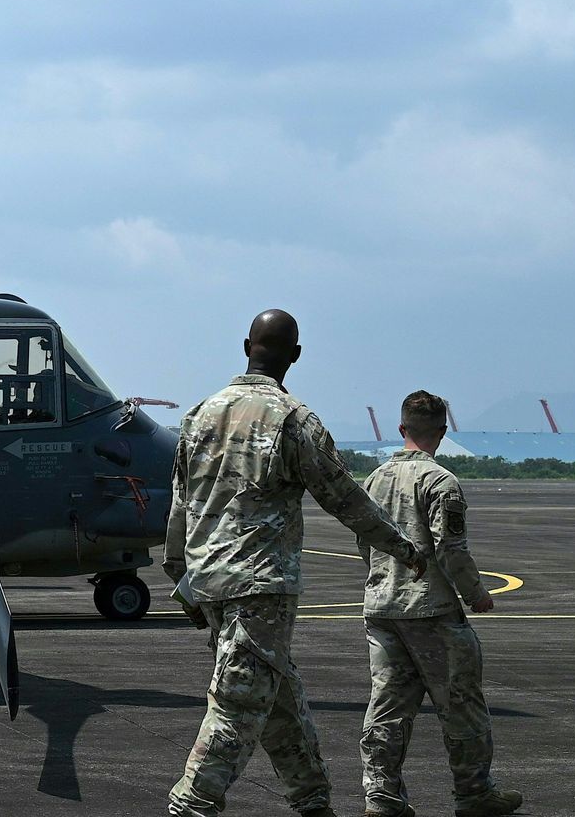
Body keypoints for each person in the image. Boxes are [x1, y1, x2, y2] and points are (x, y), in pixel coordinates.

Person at [164, 309, 428, 817]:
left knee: (276, 695)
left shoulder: (199, 414)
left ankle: (313, 800)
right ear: (297, 356)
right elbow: (344, 497)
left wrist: (181, 574)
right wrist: (401, 546)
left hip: (209, 582)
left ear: (246, 346)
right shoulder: (293, 420)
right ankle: (190, 804)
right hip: (259, 584)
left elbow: (179, 503)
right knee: (238, 707)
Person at [356, 391, 522, 817]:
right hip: (431, 610)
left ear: (400, 429)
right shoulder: (440, 481)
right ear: (443, 432)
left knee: (388, 705)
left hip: (382, 608)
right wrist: (475, 593)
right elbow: (450, 548)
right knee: (462, 705)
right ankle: (474, 793)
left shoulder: (374, 480)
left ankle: (382, 797)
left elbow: (365, 540)